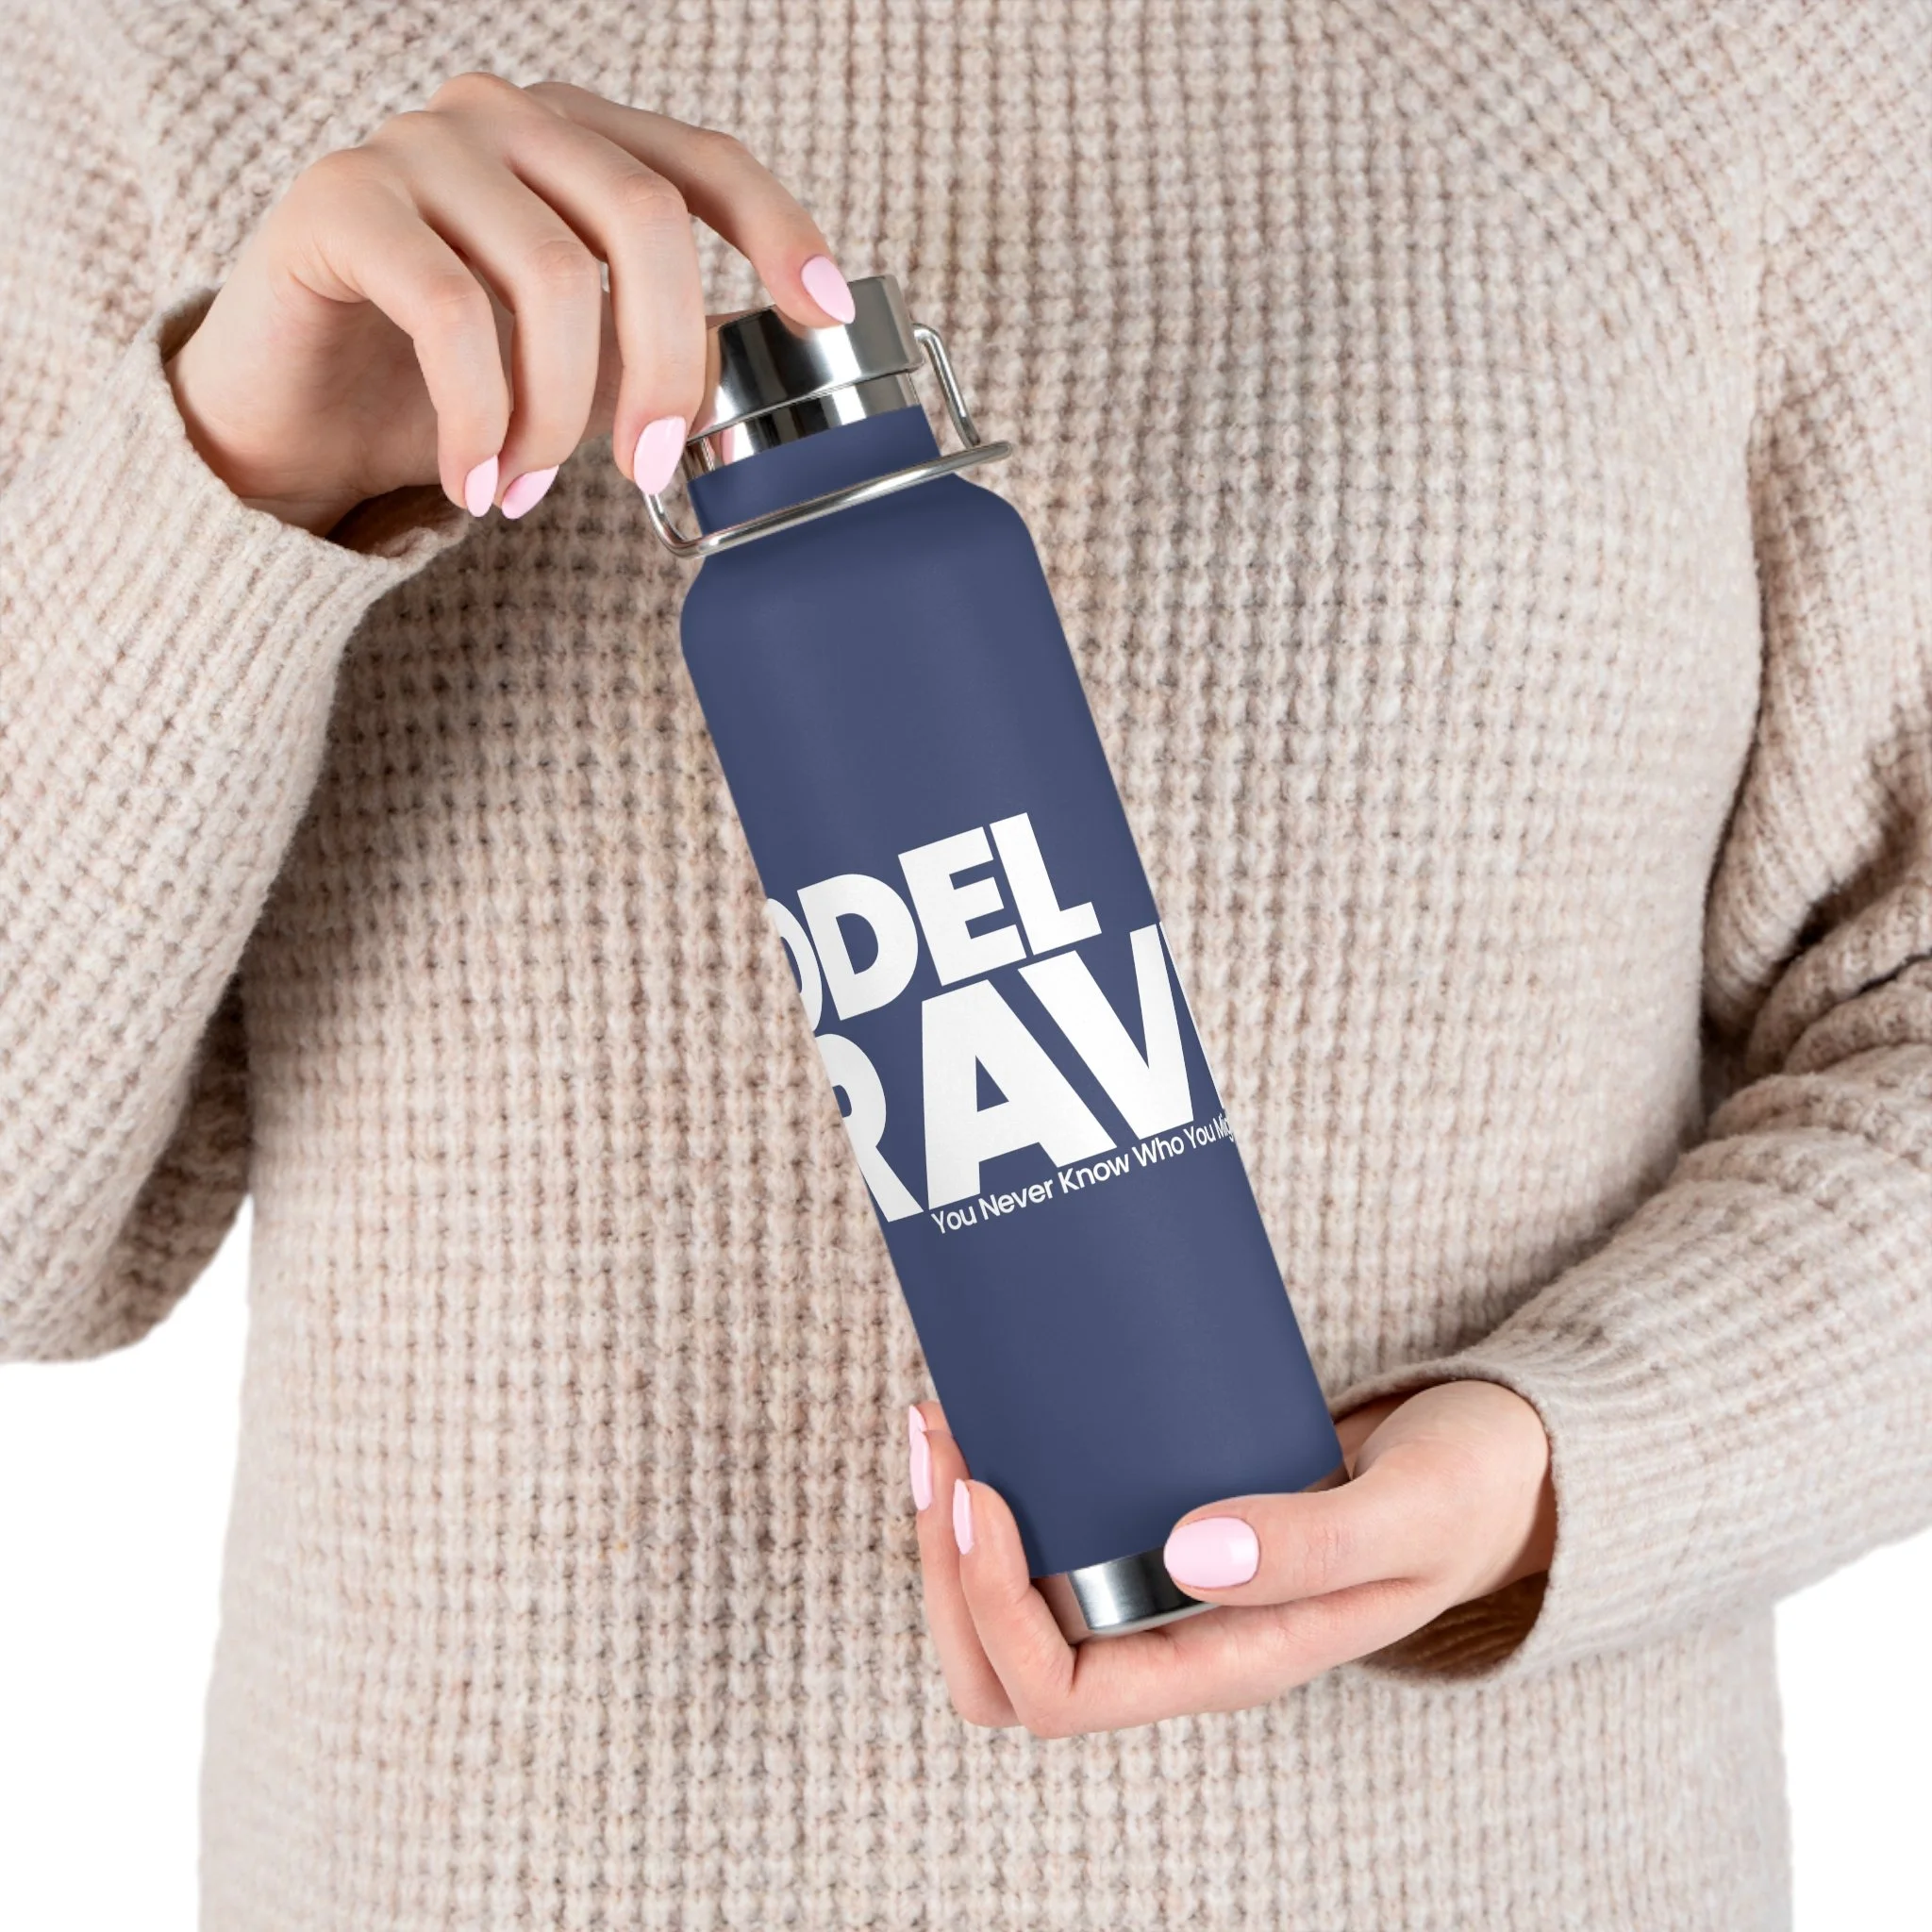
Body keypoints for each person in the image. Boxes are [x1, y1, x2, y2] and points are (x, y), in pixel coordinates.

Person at [1, 3, 1925, 1926]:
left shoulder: (1745, 55)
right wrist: (223, 485)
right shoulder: (155, 57)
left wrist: (1571, 1455)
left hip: (1496, 1872)